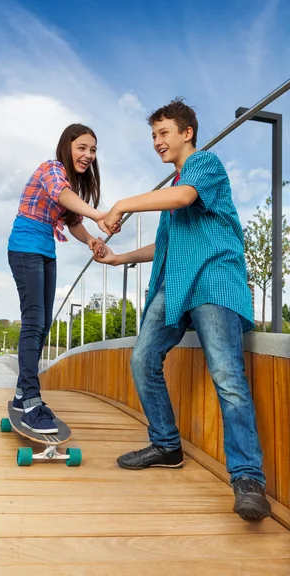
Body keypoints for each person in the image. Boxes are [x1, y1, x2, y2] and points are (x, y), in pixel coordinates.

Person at [93, 99, 271, 521]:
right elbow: (166, 246)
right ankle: (167, 445)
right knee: (142, 359)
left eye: (164, 133)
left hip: (211, 280)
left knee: (227, 377)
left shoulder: (204, 165)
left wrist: (120, 204)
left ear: (186, 133)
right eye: (154, 135)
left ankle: (248, 478)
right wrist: (119, 259)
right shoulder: (173, 192)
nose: (157, 141)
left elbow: (184, 196)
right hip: (174, 285)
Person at [8, 123, 109, 435]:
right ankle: (31, 402)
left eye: (92, 150)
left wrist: (92, 240)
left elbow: (73, 221)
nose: (88, 155)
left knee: (44, 325)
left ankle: (22, 395)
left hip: (46, 251)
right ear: (67, 147)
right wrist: (100, 215)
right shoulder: (52, 169)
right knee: (34, 321)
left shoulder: (72, 187)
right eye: (82, 147)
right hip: (25, 246)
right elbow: (62, 195)